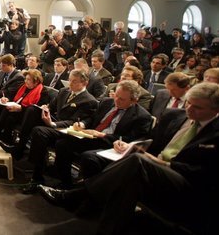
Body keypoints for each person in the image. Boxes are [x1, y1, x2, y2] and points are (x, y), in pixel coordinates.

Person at [40, 82, 219, 235]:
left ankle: (74, 195)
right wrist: (131, 146)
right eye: (188, 103)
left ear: (215, 109)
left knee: (137, 163)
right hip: (152, 163)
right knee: (129, 178)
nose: (189, 109)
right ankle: (105, 228)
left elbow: (207, 173)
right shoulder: (175, 115)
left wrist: (164, 163)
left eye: (197, 107)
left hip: (184, 179)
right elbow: (152, 141)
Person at [52, 80, 152, 187]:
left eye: (121, 99)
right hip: (91, 137)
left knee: (88, 157)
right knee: (62, 144)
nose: (116, 100)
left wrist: (103, 135)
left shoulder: (141, 116)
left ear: (134, 101)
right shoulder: (107, 102)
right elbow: (92, 118)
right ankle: (65, 182)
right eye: (116, 95)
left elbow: (131, 139)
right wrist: (82, 124)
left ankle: (85, 191)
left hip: (110, 145)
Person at [17, 69, 98, 192]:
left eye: (74, 82)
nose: (70, 84)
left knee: (39, 131)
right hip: (55, 123)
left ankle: (37, 175)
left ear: (84, 83)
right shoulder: (64, 91)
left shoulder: (89, 100)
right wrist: (46, 108)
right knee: (33, 110)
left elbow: (73, 122)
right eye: (69, 80)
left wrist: (53, 123)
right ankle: (20, 146)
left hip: (66, 129)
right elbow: (52, 106)